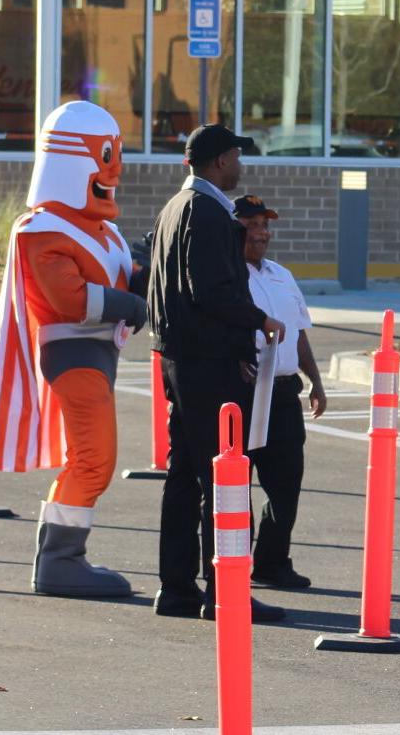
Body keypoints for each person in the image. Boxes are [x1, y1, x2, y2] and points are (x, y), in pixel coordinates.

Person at [0, 101, 146, 597]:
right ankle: (59, 560)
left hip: (99, 355)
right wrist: (129, 301)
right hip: (73, 354)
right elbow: (70, 298)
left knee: (91, 456)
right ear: (71, 159)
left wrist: (146, 275)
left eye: (116, 153)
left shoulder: (103, 230)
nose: (114, 167)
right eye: (105, 154)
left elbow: (123, 278)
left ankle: (60, 557)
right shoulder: (41, 229)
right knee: (95, 459)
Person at [146, 123, 287, 622]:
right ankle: (225, 592)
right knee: (225, 476)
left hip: (178, 358)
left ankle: (177, 588)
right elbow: (212, 291)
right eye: (236, 156)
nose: (241, 165)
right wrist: (260, 320)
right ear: (220, 160)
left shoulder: (172, 210)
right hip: (207, 363)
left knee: (185, 473)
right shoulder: (205, 212)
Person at [233, 194, 327, 589]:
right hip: (244, 390)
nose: (262, 233)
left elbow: (299, 333)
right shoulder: (227, 276)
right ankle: (233, 563)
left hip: (284, 392)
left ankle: (272, 562)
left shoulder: (281, 275)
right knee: (237, 484)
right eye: (252, 225)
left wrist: (315, 381)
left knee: (286, 481)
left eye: (265, 224)